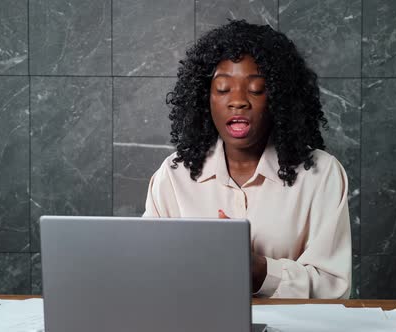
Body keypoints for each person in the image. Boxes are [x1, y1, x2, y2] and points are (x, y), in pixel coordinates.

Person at [143, 20, 351, 299]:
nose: (238, 101)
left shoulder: (321, 174)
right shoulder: (173, 175)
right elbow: (147, 272)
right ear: (204, 98)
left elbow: (334, 287)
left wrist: (258, 269)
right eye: (223, 88)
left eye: (256, 89)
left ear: (278, 98)